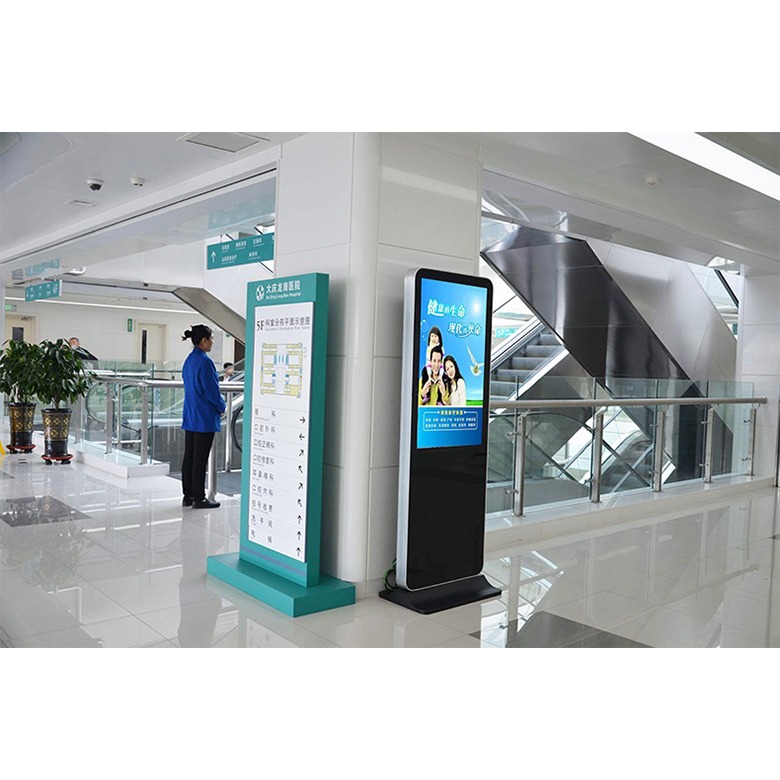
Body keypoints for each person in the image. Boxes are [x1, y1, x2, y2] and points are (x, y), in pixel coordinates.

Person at [181, 324, 225, 509]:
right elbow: (212, 391)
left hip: (191, 414)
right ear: (204, 340)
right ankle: (199, 497)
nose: (212, 343)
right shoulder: (205, 362)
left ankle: (188, 495)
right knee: (200, 458)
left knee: (190, 456)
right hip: (204, 416)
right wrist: (221, 406)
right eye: (210, 339)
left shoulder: (190, 360)